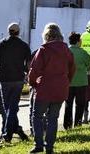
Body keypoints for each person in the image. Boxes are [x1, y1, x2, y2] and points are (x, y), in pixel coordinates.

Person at [29, 23, 75, 154]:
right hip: (61, 88)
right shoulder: (66, 50)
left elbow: (34, 70)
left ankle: (38, 144)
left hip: (44, 88)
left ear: (46, 35)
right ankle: (49, 146)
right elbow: (72, 68)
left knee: (37, 116)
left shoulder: (43, 50)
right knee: (53, 118)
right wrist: (67, 81)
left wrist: (33, 83)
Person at [0, 23, 31, 142]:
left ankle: (7, 134)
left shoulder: (2, 43)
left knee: (8, 107)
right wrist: (27, 75)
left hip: (5, 79)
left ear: (8, 31)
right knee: (12, 107)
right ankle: (17, 130)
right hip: (18, 79)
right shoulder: (24, 45)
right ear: (18, 32)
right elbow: (28, 64)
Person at [64, 32, 90, 129]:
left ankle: (67, 125)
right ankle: (78, 124)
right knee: (80, 105)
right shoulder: (82, 52)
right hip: (81, 82)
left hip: (68, 82)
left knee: (68, 104)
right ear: (78, 41)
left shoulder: (66, 51)